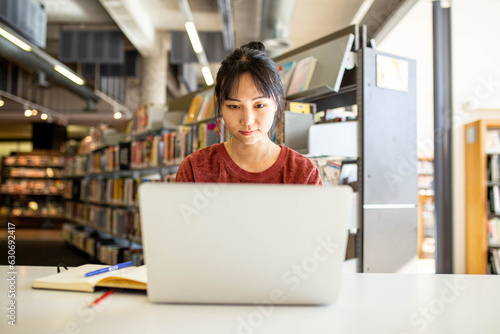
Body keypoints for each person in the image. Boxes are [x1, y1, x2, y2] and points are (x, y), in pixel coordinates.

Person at [175, 41, 321, 185]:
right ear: (220, 105)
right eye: (234, 106)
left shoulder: (304, 174)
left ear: (277, 101)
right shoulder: (194, 170)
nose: (247, 120)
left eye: (259, 105)